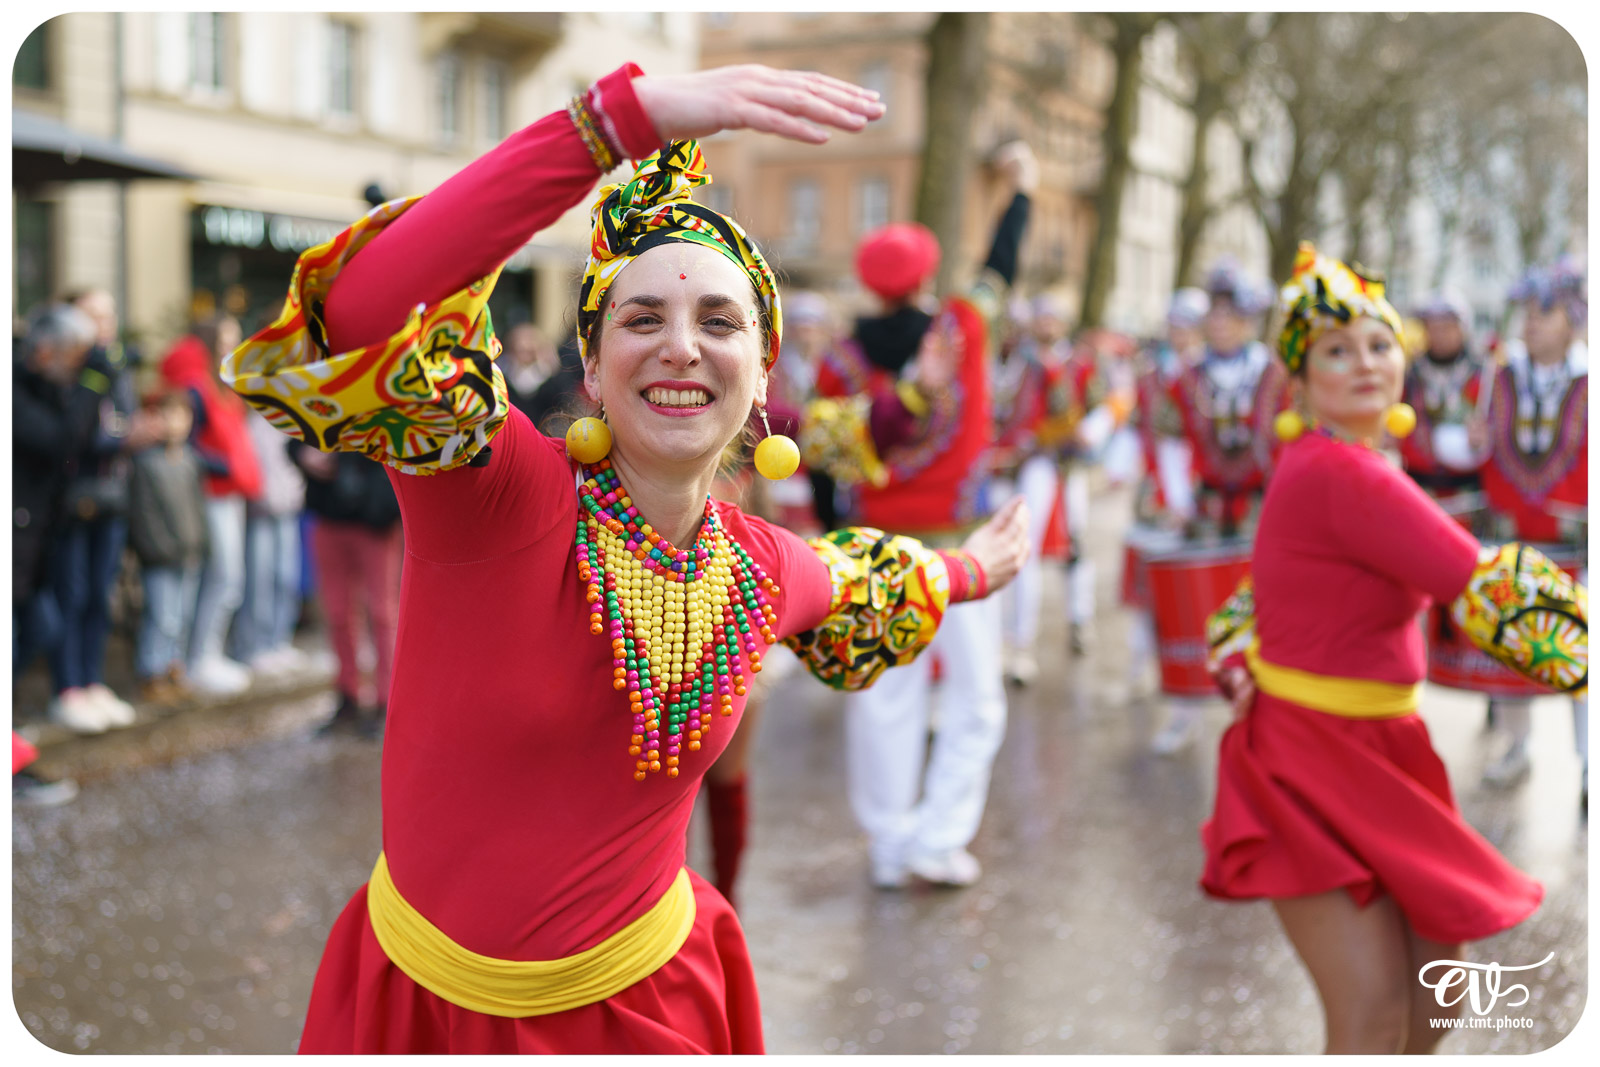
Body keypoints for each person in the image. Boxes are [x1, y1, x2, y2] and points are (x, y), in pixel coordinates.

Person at [224, 63, 1028, 1053]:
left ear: (763, 367)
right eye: (642, 319)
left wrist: (970, 569)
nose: (681, 346)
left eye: (718, 320)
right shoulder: (495, 492)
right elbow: (363, 311)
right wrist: (612, 124)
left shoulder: (760, 564)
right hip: (429, 1015)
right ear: (593, 369)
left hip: (654, 1007)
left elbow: (868, 578)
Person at [1200, 243, 1586, 1054]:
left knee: (1431, 993)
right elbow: (1485, 585)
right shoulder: (1344, 473)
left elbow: (1256, 591)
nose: (1367, 362)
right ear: (1300, 384)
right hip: (1313, 757)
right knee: (1377, 1011)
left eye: (1380, 343)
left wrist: (1238, 650)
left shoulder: (1347, 463)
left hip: (1380, 750)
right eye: (1337, 351)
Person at [801, 145, 1035, 890]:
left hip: (875, 550)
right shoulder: (964, 324)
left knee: (884, 698)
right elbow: (1000, 264)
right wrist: (1017, 191)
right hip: (963, 551)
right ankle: (939, 835)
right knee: (974, 699)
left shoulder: (839, 360)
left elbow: (825, 456)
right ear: (927, 277)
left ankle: (889, 842)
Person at [1148, 259, 1288, 755]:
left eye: (1233, 312)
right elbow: (1169, 439)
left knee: (1265, 608)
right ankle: (1185, 709)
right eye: (1216, 311)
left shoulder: (1276, 372)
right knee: (1197, 606)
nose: (1221, 321)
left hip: (1260, 508)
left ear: (1251, 319)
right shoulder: (1186, 376)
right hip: (1206, 506)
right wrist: (1179, 500)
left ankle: (1264, 715)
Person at [1475, 262, 1588, 797]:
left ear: (1572, 318)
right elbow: (1471, 448)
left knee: (1579, 651)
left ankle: (1589, 762)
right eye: (1528, 312)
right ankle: (1516, 746)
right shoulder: (1498, 376)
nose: (1532, 323)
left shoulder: (1590, 380)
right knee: (1514, 644)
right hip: (1513, 540)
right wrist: (1472, 440)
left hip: (1577, 546)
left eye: (1544, 312)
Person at [45, 289, 158, 731]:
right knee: (70, 595)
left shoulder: (116, 368)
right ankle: (67, 687)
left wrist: (138, 430)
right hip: (73, 501)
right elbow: (74, 435)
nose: (105, 324)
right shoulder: (67, 370)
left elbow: (122, 419)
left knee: (99, 594)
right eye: (94, 316)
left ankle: (92, 682)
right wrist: (125, 437)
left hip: (113, 496)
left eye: (110, 315)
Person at [162, 314, 263, 697]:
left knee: (229, 579)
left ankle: (209, 654)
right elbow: (187, 443)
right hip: (212, 494)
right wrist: (225, 465)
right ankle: (199, 658)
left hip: (231, 493)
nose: (231, 347)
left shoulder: (221, 384)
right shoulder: (196, 388)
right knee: (222, 576)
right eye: (225, 340)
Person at [13, 303, 103, 730]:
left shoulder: (49, 385)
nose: (80, 367)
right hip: (16, 545)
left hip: (33, 549)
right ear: (47, 351)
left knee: (42, 629)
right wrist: (95, 381)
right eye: (77, 356)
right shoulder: (13, 386)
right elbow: (60, 440)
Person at [1123, 287, 1209, 694]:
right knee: (1147, 580)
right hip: (1155, 488)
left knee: (1193, 586)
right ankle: (1139, 663)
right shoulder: (1151, 376)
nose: (1179, 333)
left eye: (1186, 325)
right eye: (1174, 325)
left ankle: (1192, 674)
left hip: (1198, 491)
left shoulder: (1208, 375)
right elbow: (1138, 423)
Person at [287, 443, 403, 737]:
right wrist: (303, 454)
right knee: (338, 612)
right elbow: (293, 433)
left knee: (382, 613)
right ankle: (348, 698)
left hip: (376, 517)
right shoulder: (316, 399)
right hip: (329, 514)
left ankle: (387, 703)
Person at [127, 387, 210, 705]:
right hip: (160, 558)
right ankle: (151, 671)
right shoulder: (145, 464)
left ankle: (173, 667)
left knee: (181, 615)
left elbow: (198, 507)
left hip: (189, 554)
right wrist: (157, 549)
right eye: (168, 414)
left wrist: (202, 543)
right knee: (161, 616)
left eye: (182, 415)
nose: (175, 423)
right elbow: (144, 514)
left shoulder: (191, 461)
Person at [1398, 288, 1492, 511]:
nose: (1439, 334)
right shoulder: (1408, 374)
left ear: (1463, 329)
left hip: (1469, 495)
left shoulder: (1485, 375)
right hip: (1418, 489)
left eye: (1447, 327)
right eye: (1432, 327)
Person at [236, 407, 308, 674]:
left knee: (285, 577)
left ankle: (279, 641)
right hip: (260, 510)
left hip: (287, 507)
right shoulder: (250, 421)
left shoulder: (288, 416)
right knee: (259, 581)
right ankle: (254, 646)